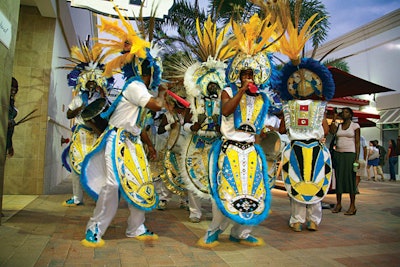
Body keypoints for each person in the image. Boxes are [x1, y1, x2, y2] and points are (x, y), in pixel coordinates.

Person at [80, 10, 165, 247]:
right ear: (142, 70)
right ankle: (95, 228)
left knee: (140, 182)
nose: (150, 75)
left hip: (133, 141)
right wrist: (165, 96)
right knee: (113, 184)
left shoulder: (141, 89)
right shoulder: (136, 85)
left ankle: (136, 227)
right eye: (148, 70)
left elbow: (140, 125)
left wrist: (149, 146)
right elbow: (155, 106)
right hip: (116, 140)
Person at [61, 41, 111, 207]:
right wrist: (79, 110)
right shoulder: (78, 98)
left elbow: (109, 116)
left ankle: (100, 197)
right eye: (89, 81)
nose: (92, 84)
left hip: (98, 136)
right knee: (77, 168)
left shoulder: (102, 99)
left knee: (98, 168)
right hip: (81, 136)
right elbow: (69, 114)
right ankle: (77, 198)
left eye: (94, 81)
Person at [330, 107, 360, 215]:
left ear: (351, 115)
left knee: (350, 179)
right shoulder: (338, 126)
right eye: (343, 112)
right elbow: (331, 131)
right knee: (339, 179)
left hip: (350, 155)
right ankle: (338, 204)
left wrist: (356, 158)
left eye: (347, 112)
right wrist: (334, 118)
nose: (344, 113)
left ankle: (352, 205)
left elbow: (357, 143)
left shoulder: (355, 126)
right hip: (338, 154)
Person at [6, 77, 18, 157]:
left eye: (15, 91)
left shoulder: (11, 102)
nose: (13, 93)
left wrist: (10, 146)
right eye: (12, 90)